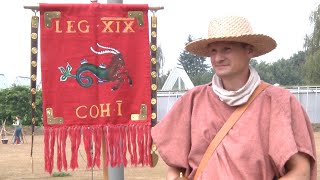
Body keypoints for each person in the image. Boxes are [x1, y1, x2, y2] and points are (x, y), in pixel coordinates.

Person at [151, 16, 317, 180]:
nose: (218, 58)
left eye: (226, 49)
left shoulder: (279, 101)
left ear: (249, 50)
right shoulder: (193, 100)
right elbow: (175, 168)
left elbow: (301, 172)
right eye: (213, 51)